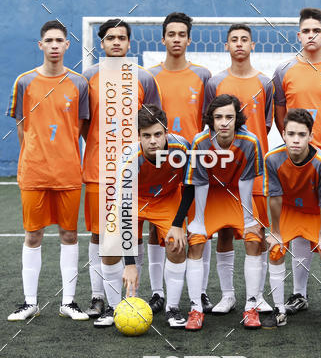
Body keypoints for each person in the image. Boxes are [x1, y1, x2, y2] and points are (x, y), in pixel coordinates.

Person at [94, 105, 205, 330]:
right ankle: (114, 308)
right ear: (138, 136)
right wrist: (130, 264)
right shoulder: (129, 159)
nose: (153, 141)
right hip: (133, 201)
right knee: (110, 245)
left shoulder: (182, 147)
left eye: (157, 134)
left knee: (176, 244)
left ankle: (172, 308)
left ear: (166, 132)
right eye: (146, 136)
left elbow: (190, 186)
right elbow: (124, 211)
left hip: (166, 199)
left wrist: (177, 224)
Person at [7, 20, 89, 321]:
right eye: (49, 40)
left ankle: (69, 302)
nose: (54, 45)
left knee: (69, 234)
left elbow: (78, 129)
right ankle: (30, 302)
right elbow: (21, 127)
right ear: (40, 45)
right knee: (33, 235)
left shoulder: (80, 84)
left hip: (68, 173)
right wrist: (35, 154)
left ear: (67, 45)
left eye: (59, 40)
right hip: (34, 173)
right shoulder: (25, 81)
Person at [273, 7, 321, 315]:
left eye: (316, 31)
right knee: (299, 227)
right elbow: (281, 116)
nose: (311, 35)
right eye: (306, 31)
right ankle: (299, 294)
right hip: (298, 166)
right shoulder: (285, 71)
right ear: (298, 35)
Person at [81, 18, 162, 318]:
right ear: (101, 43)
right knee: (99, 235)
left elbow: (152, 123)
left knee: (131, 235)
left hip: (134, 172)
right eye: (110, 38)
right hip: (97, 171)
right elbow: (84, 123)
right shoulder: (88, 77)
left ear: (129, 43)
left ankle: (130, 299)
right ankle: (97, 297)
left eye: (122, 38)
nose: (116, 42)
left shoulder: (144, 78)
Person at [176, 94, 265, 329]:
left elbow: (246, 183)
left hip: (236, 194)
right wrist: (198, 220)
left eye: (229, 117)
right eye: (218, 117)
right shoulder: (200, 141)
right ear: (211, 120)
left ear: (237, 119)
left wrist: (249, 219)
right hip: (209, 196)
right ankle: (196, 309)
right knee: (196, 241)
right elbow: (200, 183)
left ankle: (251, 306)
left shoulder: (250, 141)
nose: (224, 122)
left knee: (254, 238)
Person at [203, 24, 273, 315]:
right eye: (234, 39)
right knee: (225, 234)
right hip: (223, 174)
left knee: (258, 233)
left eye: (245, 39)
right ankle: (228, 295)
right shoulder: (215, 82)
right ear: (226, 45)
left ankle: (256, 297)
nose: (240, 44)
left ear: (253, 45)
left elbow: (266, 123)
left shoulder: (265, 82)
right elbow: (209, 124)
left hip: (255, 172)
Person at [148, 12, 213, 314]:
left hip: (193, 164)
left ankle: (200, 292)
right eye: (171, 34)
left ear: (189, 39)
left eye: (181, 34)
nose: (176, 39)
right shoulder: (150, 76)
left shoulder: (203, 76)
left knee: (199, 228)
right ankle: (157, 292)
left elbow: (208, 121)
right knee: (156, 229)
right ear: (163, 39)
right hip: (160, 165)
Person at [263, 108, 321, 332]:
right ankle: (279, 310)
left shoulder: (320, 162)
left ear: (311, 136)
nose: (296, 140)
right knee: (276, 249)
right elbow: (275, 197)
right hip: (289, 210)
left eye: (301, 134)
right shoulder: (272, 158)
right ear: (283, 135)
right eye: (291, 134)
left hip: (316, 212)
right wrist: (275, 231)